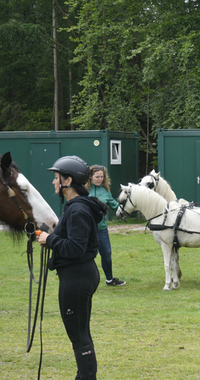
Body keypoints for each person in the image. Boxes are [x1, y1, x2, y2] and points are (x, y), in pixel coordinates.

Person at [37, 156, 107, 379]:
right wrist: (43, 234)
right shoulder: (75, 207)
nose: (54, 182)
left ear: (68, 180)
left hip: (77, 276)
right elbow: (68, 238)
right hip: (80, 274)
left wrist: (50, 240)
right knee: (80, 332)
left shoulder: (77, 210)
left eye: (56, 178)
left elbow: (75, 248)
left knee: (78, 334)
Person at [86, 165, 126, 286]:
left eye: (102, 177)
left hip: (102, 229)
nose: (99, 179)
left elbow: (115, 206)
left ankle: (109, 279)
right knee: (86, 256)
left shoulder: (106, 191)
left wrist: (130, 208)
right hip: (86, 229)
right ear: (90, 177)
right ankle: (86, 280)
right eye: (97, 177)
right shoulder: (83, 191)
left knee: (107, 254)